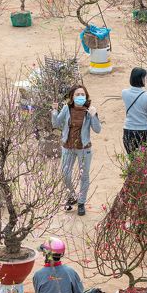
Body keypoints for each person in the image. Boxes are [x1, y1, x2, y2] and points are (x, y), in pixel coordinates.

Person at [51, 84, 101, 217]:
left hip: (84, 149)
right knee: (65, 174)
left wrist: (94, 115)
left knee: (83, 176)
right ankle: (72, 196)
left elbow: (97, 129)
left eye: (82, 94)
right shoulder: (67, 108)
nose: (80, 97)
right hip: (68, 147)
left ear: (86, 96)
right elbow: (56, 124)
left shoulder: (89, 110)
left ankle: (81, 203)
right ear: (72, 97)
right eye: (77, 94)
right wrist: (54, 111)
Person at [121, 67, 147, 155]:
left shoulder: (124, 92)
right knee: (146, 161)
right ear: (141, 79)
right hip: (145, 131)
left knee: (133, 160)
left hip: (128, 131)